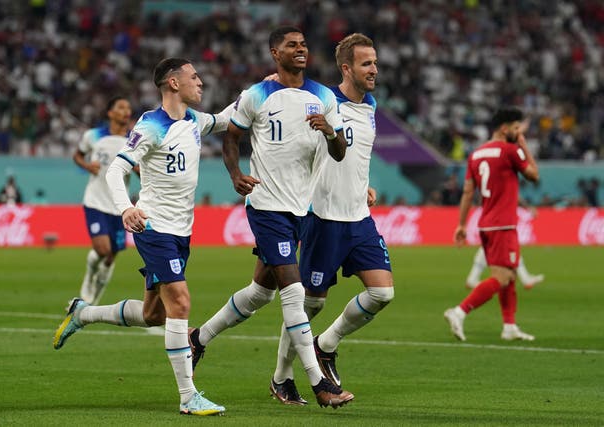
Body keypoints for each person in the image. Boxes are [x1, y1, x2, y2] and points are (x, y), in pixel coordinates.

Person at [53, 58, 231, 416]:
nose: (200, 82)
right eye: (193, 76)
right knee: (180, 302)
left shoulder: (195, 121)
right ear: (173, 83)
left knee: (153, 314)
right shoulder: (150, 125)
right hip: (154, 227)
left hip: (182, 230)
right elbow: (115, 171)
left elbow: (227, 119)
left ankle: (83, 313)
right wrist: (125, 209)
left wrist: (263, 89)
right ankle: (188, 396)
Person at [187, 26, 354, 409]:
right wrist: (234, 175)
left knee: (261, 292)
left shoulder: (324, 97)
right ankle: (318, 383)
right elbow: (231, 137)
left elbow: (341, 151)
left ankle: (198, 339)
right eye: (291, 45)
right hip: (265, 205)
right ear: (274, 53)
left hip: (300, 208)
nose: (301, 49)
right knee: (294, 292)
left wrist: (330, 132)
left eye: (304, 44)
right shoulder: (257, 95)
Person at [268, 33, 394, 404]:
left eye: (375, 62)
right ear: (347, 68)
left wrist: (365, 184)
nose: (374, 69)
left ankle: (327, 343)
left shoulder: (370, 106)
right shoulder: (320, 101)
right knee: (309, 304)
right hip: (322, 217)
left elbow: (356, 157)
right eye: (366, 63)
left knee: (382, 292)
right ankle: (281, 376)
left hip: (359, 217)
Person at [444, 107, 539, 342]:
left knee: (510, 274)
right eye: (515, 128)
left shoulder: (476, 154)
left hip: (485, 223)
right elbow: (534, 175)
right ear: (504, 128)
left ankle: (509, 326)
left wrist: (461, 225)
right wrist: (523, 144)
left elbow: (468, 192)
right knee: (503, 276)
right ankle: (459, 311)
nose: (518, 132)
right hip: (503, 224)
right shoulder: (510, 151)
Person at [72, 96, 133, 305]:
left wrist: (140, 170)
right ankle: (89, 276)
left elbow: (142, 168)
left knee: (111, 256)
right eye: (121, 107)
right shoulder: (93, 135)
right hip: (95, 201)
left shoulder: (135, 139)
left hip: (119, 205)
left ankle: (93, 300)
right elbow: (78, 155)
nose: (126, 111)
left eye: (128, 108)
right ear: (110, 113)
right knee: (102, 249)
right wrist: (87, 166)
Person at [466, 247, 544, 289]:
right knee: (511, 249)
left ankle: (472, 279)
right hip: (498, 225)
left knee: (487, 246)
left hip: (492, 224)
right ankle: (526, 279)